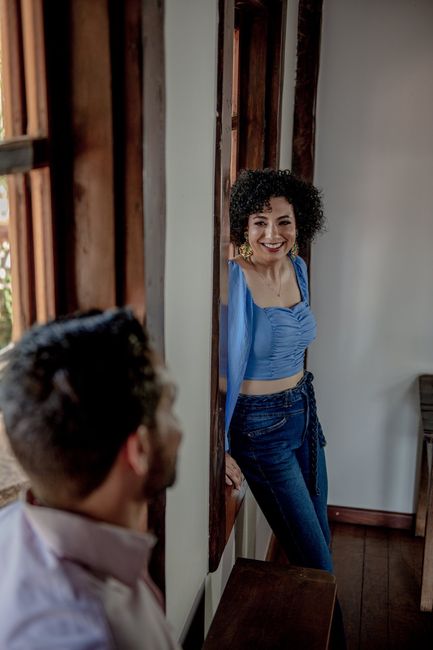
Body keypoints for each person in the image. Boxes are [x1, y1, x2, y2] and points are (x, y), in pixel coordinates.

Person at [0, 308, 182, 649]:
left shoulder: (8, 530)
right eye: (169, 405)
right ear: (138, 449)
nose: (180, 429)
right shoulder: (100, 635)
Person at [224, 168, 333, 573]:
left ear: (299, 222)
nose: (273, 233)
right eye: (259, 222)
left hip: (304, 411)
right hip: (259, 429)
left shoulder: (298, 268)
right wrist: (219, 447)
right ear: (244, 228)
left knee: (322, 539)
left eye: (284, 221)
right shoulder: (235, 278)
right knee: (316, 563)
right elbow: (218, 372)